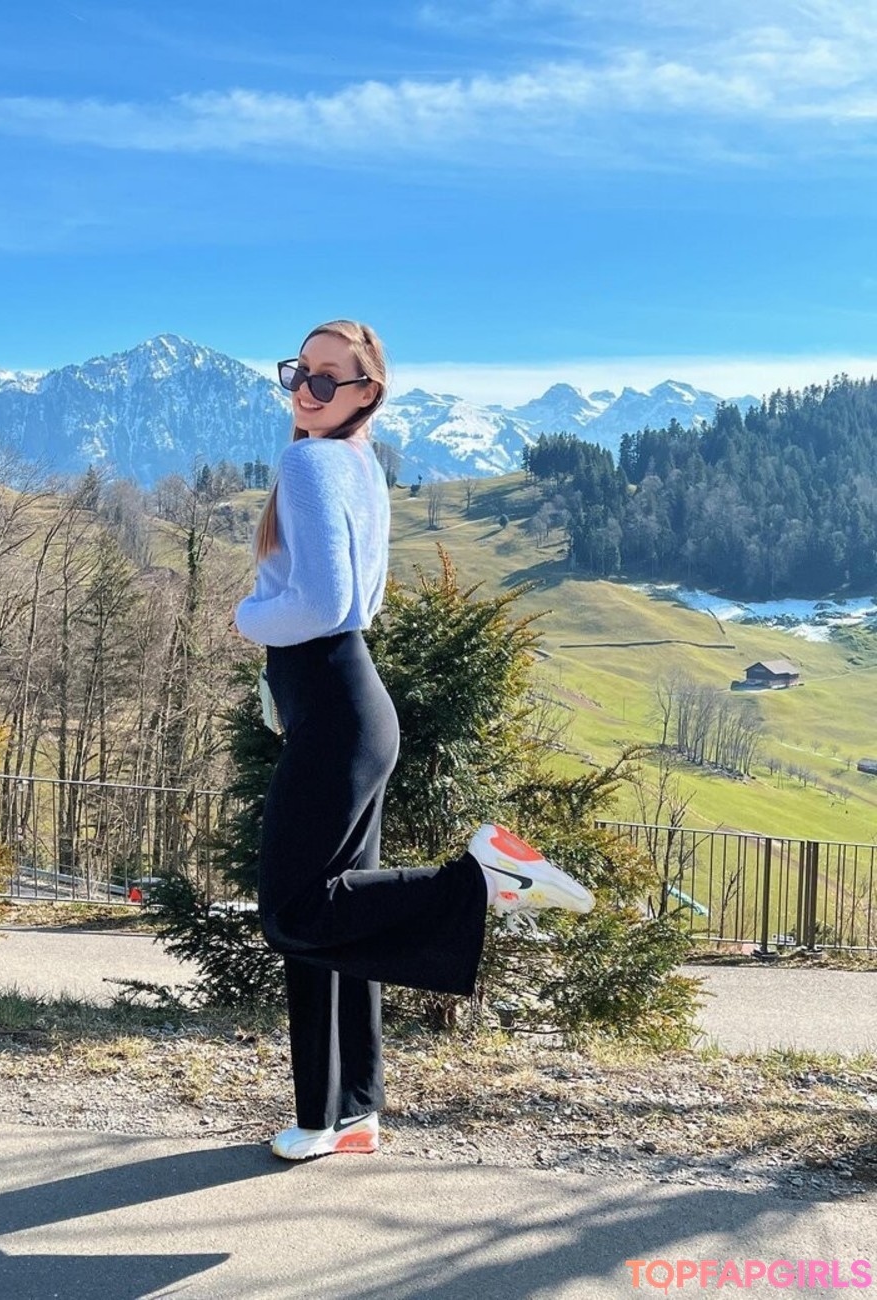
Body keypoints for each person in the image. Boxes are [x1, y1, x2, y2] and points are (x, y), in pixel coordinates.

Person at [234, 320, 594, 1162]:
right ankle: (342, 1113)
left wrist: (246, 616)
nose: (306, 390)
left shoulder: (310, 464)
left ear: (368, 392)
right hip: (349, 703)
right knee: (336, 923)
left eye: (329, 378)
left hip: (335, 702)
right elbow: (362, 602)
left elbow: (325, 606)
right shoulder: (358, 464)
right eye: (299, 372)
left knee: (294, 912)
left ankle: (481, 877)